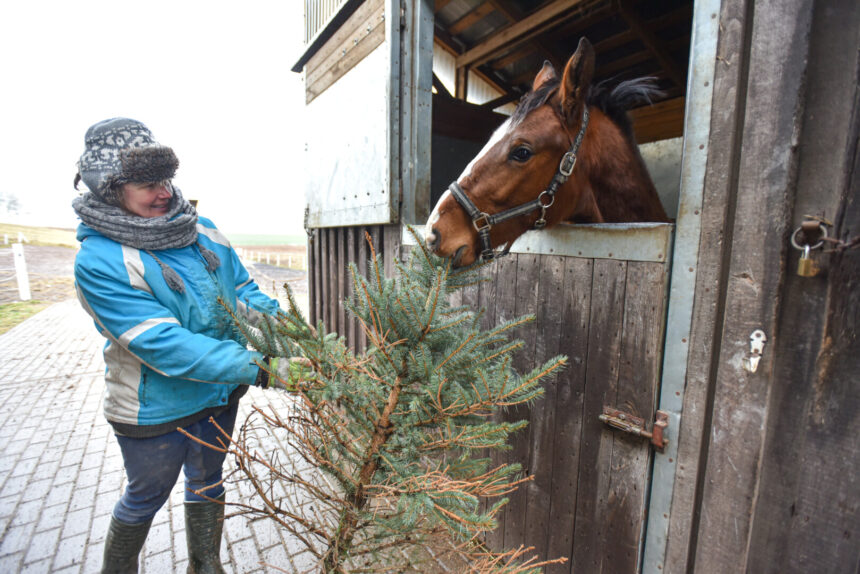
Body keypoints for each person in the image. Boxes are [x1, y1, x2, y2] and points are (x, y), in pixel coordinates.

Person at [72, 118, 303, 574]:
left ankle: (205, 567)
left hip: (218, 394)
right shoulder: (100, 260)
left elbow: (243, 294)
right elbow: (162, 344)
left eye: (165, 180)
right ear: (108, 190)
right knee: (145, 497)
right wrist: (263, 367)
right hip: (155, 410)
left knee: (208, 482)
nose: (163, 192)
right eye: (146, 184)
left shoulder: (203, 230)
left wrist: (292, 329)